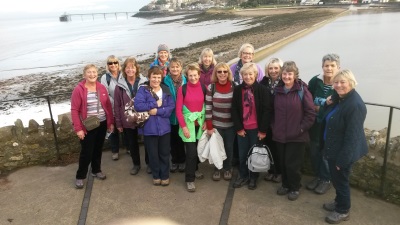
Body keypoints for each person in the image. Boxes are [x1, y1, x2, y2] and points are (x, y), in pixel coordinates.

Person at [321, 69, 367, 224]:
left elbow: (352, 137)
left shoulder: (355, 105)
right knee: (336, 179)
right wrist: (331, 99)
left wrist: (342, 160)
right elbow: (326, 115)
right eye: (336, 82)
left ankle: (343, 210)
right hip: (334, 148)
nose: (338, 85)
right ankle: (338, 202)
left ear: (351, 83)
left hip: (342, 152)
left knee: (341, 182)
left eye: (342, 82)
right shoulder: (340, 98)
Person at [273, 61, 315, 201]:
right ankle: (285, 185)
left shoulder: (302, 90)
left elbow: (310, 114)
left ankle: (294, 187)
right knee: (283, 162)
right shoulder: (277, 90)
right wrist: (274, 127)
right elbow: (272, 112)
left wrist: (301, 128)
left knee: (293, 165)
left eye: (290, 73)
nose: (287, 76)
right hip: (280, 135)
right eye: (284, 73)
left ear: (295, 75)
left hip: (297, 135)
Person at [71, 64, 114, 189]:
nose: (92, 74)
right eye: (89, 72)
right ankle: (80, 176)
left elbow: (108, 107)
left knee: (98, 149)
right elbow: (74, 110)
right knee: (86, 152)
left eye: (94, 72)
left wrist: (110, 123)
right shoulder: (79, 89)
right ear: (84, 75)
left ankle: (96, 170)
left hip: (102, 123)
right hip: (88, 126)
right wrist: (78, 129)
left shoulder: (101, 87)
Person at [231, 62, 271, 190]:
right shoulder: (237, 90)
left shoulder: (262, 90)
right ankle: (243, 176)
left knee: (255, 154)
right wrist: (239, 128)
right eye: (245, 74)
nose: (248, 77)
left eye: (250, 74)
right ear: (241, 75)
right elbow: (234, 110)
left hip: (256, 129)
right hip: (243, 128)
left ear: (256, 74)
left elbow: (266, 111)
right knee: (242, 154)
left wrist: (263, 130)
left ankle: (253, 177)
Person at [134, 66, 175, 186]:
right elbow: (138, 105)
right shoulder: (143, 90)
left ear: (161, 77)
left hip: (164, 128)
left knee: (164, 153)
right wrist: (154, 103)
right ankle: (156, 175)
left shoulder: (166, 90)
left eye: (158, 77)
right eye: (154, 77)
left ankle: (165, 175)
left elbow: (170, 108)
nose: (156, 80)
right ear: (149, 77)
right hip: (149, 129)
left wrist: (157, 111)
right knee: (152, 154)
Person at [306, 54, 340, 195]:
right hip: (315, 124)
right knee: (314, 152)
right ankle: (318, 176)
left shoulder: (340, 83)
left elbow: (339, 106)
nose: (329, 68)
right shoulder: (315, 81)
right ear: (322, 66)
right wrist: (322, 105)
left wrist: (318, 105)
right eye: (327, 65)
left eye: (332, 65)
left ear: (338, 67)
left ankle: (326, 179)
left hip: (330, 127)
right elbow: (308, 100)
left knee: (326, 154)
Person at [114, 57, 148, 175]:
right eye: (127, 67)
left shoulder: (144, 82)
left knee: (147, 141)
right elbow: (117, 105)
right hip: (127, 118)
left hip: (143, 116)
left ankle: (149, 163)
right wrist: (118, 123)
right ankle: (136, 164)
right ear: (124, 69)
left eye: (132, 67)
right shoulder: (119, 86)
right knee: (132, 143)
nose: (130, 70)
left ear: (136, 68)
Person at [176, 63, 206, 192]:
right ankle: (189, 179)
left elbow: (207, 106)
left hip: (200, 125)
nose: (193, 78)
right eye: (190, 76)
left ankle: (195, 169)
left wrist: (206, 122)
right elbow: (178, 110)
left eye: (195, 75)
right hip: (188, 126)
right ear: (186, 76)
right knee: (191, 153)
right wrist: (184, 127)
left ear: (199, 75)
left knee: (198, 150)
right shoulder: (182, 89)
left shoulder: (204, 88)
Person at [205, 62, 235, 181]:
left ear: (228, 73)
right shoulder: (211, 88)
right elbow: (208, 108)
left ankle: (227, 168)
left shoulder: (234, 86)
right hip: (216, 125)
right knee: (216, 148)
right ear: (215, 73)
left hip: (231, 125)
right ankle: (217, 169)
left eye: (225, 71)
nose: (222, 74)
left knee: (229, 148)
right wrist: (209, 126)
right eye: (219, 71)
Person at [259, 57, 284, 183]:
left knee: (278, 148)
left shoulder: (284, 83)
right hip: (266, 120)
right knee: (267, 147)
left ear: (280, 69)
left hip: (279, 121)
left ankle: (279, 172)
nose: (273, 71)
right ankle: (270, 170)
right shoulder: (263, 83)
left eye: (276, 68)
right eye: (270, 68)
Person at [163, 58, 187, 173]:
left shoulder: (185, 80)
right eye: (172, 67)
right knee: (172, 140)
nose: (175, 69)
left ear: (181, 68)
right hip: (170, 116)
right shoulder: (165, 81)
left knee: (181, 139)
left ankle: (182, 160)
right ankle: (174, 160)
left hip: (183, 115)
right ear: (169, 68)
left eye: (177, 66)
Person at [101, 55, 122, 160]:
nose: (113, 65)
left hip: (124, 107)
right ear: (107, 65)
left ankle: (129, 147)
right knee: (113, 129)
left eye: (115, 62)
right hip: (112, 107)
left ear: (118, 64)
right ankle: (115, 150)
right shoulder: (105, 78)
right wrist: (116, 103)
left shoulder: (123, 75)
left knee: (127, 128)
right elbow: (105, 93)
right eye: (110, 63)